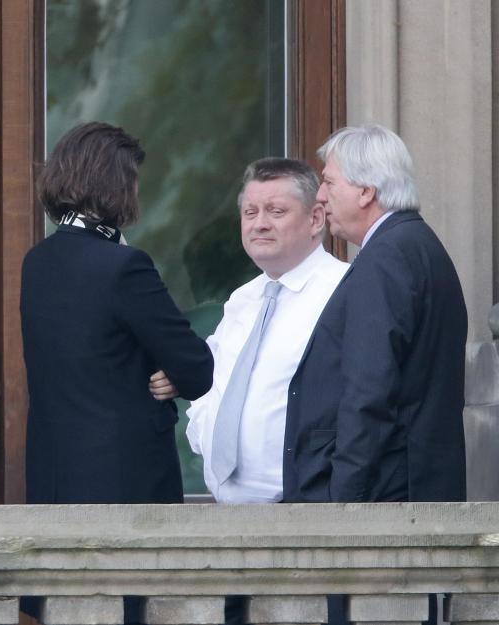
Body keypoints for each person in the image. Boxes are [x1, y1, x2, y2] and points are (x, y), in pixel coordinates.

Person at [285, 125, 467, 624]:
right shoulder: (416, 246)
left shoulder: (387, 257)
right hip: (410, 493)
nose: (320, 195)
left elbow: (369, 390)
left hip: (383, 503)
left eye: (329, 183)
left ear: (366, 192)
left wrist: (343, 508)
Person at [185, 158, 348, 625]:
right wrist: (206, 438)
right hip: (226, 525)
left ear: (315, 219)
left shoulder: (342, 291)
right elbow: (209, 385)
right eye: (250, 211)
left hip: (301, 527)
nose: (259, 223)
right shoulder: (243, 298)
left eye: (276, 211)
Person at [20, 121, 214, 504]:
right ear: (116, 184)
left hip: (54, 478)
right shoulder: (123, 266)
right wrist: (172, 375)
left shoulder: (36, 262)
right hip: (125, 481)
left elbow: (87, 355)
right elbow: (195, 368)